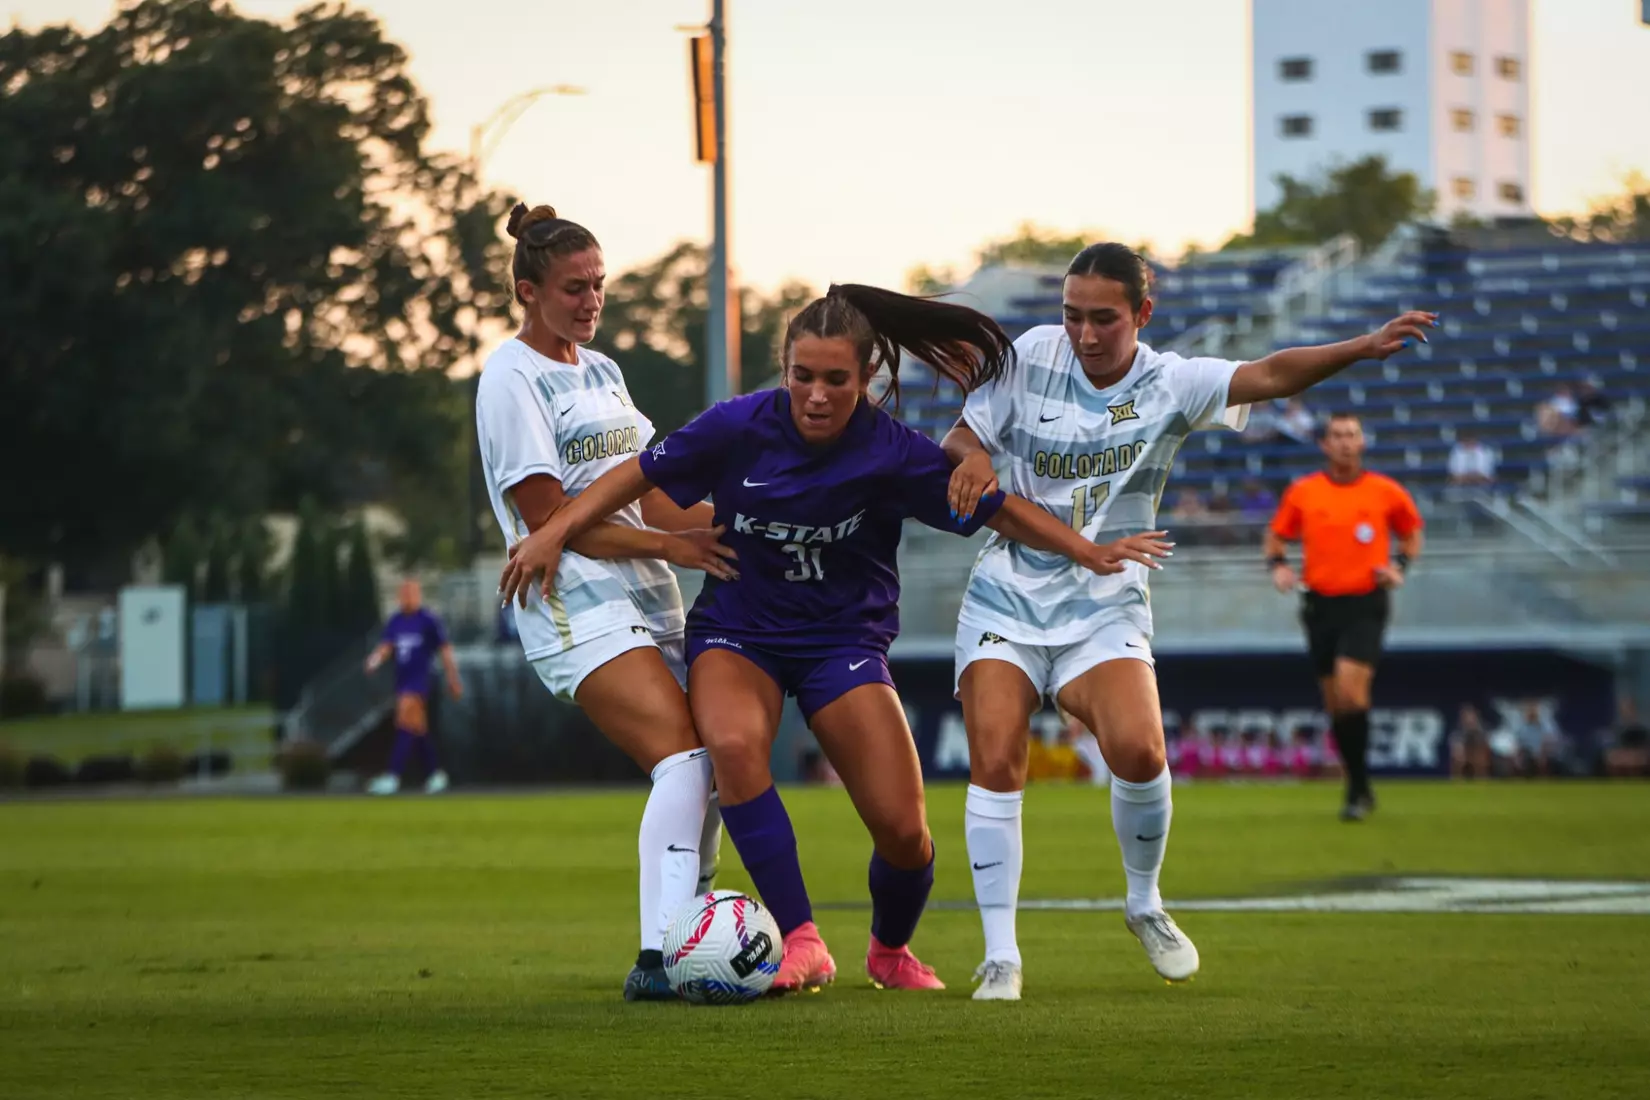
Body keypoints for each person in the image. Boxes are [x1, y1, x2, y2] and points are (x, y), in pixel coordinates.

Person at [500, 282, 1167, 994]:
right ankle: (802, 939)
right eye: (802, 377)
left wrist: (1088, 552)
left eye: (836, 380)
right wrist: (553, 533)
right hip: (738, 631)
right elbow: (635, 475)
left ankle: (889, 952)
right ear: (785, 369)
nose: (816, 395)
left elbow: (1001, 511)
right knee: (728, 748)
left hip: (842, 642)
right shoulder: (737, 425)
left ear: (867, 379)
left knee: (906, 836)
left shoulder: (893, 452)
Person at [940, 241, 1435, 1000]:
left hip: (1104, 601)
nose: (1084, 333)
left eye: (1103, 318)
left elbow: (1269, 372)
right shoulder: (1030, 354)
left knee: (1139, 750)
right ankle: (1001, 955)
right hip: (1007, 593)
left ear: (1142, 313)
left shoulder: (1172, 382)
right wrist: (969, 453)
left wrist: (1362, 348)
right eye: (1072, 315)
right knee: (997, 761)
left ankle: (1144, 904)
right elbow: (963, 435)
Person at [473, 202, 733, 1001]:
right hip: (571, 600)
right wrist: (671, 548)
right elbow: (551, 522)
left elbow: (653, 499)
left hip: (647, 593)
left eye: (599, 285)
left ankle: (688, 938)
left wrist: (752, 518)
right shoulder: (510, 378)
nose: (591, 301)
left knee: (713, 767)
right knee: (685, 760)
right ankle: (658, 959)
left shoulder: (602, 370)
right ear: (527, 291)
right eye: (573, 288)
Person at [1265, 412, 1425, 821]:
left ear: (1363, 442)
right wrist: (1278, 565)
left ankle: (1357, 788)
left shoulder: (1384, 491)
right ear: (1324, 445)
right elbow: (1276, 534)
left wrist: (1401, 566)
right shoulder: (1304, 492)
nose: (1345, 443)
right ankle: (1360, 785)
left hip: (1366, 602)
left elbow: (1412, 530)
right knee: (1337, 704)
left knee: (1353, 693)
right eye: (1337, 436)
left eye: (1352, 435)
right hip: (1320, 605)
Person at [364, 579, 463, 795]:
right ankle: (435, 774)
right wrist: (374, 660)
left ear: (419, 595)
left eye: (412, 593)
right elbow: (386, 647)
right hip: (402, 682)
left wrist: (453, 679)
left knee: (404, 721)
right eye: (404, 593)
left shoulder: (428, 620)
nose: (408, 597)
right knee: (416, 729)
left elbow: (445, 650)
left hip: (421, 681)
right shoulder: (396, 621)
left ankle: (392, 776)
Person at [1449, 704, 1491, 779]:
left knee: (1481, 760)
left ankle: (1482, 781)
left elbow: (1485, 745)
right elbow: (1456, 746)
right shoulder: (1458, 731)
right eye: (1466, 716)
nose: (1468, 718)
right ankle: (1457, 782)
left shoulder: (1481, 729)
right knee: (1458, 759)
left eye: (1470, 716)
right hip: (1463, 753)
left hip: (1476, 753)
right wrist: (1460, 754)